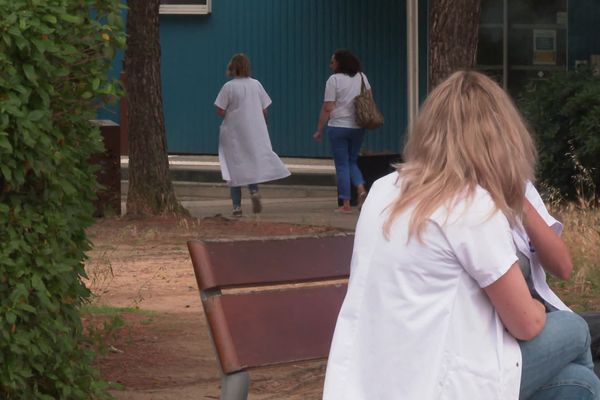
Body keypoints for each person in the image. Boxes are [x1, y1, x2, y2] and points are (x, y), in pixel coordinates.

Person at [322, 71, 600, 399]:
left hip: (374, 377)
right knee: (575, 329)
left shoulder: (385, 190)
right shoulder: (470, 204)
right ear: (499, 136)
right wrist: (537, 310)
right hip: (440, 381)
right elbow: (525, 322)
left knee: (579, 383)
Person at [518, 182, 600, 376]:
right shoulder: (464, 204)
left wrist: (518, 200)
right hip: (518, 328)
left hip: (546, 313)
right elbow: (524, 323)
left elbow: (562, 267)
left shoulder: (519, 186)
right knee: (581, 371)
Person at [214, 53, 290, 217]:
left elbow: (220, 109)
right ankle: (254, 191)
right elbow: (264, 109)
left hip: (234, 132)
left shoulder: (229, 87)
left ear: (232, 68)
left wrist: (231, 112)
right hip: (253, 130)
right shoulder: (256, 85)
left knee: (233, 167)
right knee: (250, 162)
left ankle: (236, 207)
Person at [313, 49, 369, 213]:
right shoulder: (362, 77)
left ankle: (345, 203)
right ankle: (361, 189)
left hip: (338, 126)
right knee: (352, 161)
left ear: (339, 63)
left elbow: (327, 107)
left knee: (342, 165)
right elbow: (369, 97)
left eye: (332, 62)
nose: (330, 65)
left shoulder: (334, 80)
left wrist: (319, 129)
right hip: (358, 127)